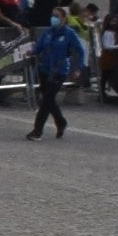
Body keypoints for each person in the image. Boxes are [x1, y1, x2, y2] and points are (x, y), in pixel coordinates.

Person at [31, 11, 83, 140]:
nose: (53, 18)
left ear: (64, 19)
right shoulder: (47, 32)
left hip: (59, 70)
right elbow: (38, 47)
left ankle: (37, 131)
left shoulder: (69, 33)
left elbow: (79, 51)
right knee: (49, 99)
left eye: (57, 16)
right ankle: (61, 122)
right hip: (45, 69)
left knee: (46, 101)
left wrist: (77, 68)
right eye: (52, 15)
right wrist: (30, 52)